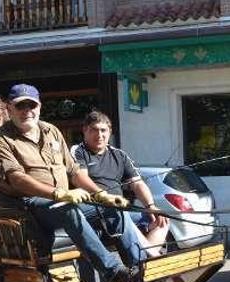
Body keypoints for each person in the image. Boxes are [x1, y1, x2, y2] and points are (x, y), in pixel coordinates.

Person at [0, 83, 140, 282]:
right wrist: (59, 194)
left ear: (39, 107)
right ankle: (113, 273)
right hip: (28, 207)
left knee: (116, 210)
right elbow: (17, 179)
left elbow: (74, 172)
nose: (27, 111)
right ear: (10, 109)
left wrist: (101, 195)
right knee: (68, 210)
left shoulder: (51, 131)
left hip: (60, 201)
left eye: (32, 106)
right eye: (20, 106)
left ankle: (139, 270)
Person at [72, 110, 169, 258]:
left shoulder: (119, 155)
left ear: (110, 132)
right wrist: (103, 196)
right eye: (94, 130)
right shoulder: (78, 151)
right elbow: (80, 178)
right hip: (92, 210)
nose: (99, 135)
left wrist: (151, 206)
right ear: (85, 131)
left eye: (103, 130)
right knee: (122, 215)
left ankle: (148, 259)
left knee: (162, 219)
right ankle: (147, 261)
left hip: (118, 210)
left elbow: (137, 183)